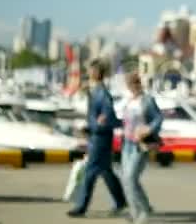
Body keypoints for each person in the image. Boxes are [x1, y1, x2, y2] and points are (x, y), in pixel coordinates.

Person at [67, 59, 127, 218]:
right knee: (106, 172)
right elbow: (98, 117)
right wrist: (89, 127)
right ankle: (121, 201)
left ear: (97, 73)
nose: (89, 73)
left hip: (100, 139)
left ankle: (81, 207)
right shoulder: (95, 91)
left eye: (91, 70)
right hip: (97, 136)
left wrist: (97, 125)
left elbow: (108, 118)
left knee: (90, 172)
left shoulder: (102, 93)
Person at [120, 72, 163, 224]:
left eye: (133, 83)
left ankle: (143, 211)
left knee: (131, 178)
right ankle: (135, 212)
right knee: (126, 180)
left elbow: (158, 118)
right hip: (127, 144)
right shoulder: (129, 100)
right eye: (128, 84)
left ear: (138, 84)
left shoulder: (147, 100)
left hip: (140, 145)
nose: (130, 86)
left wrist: (148, 129)